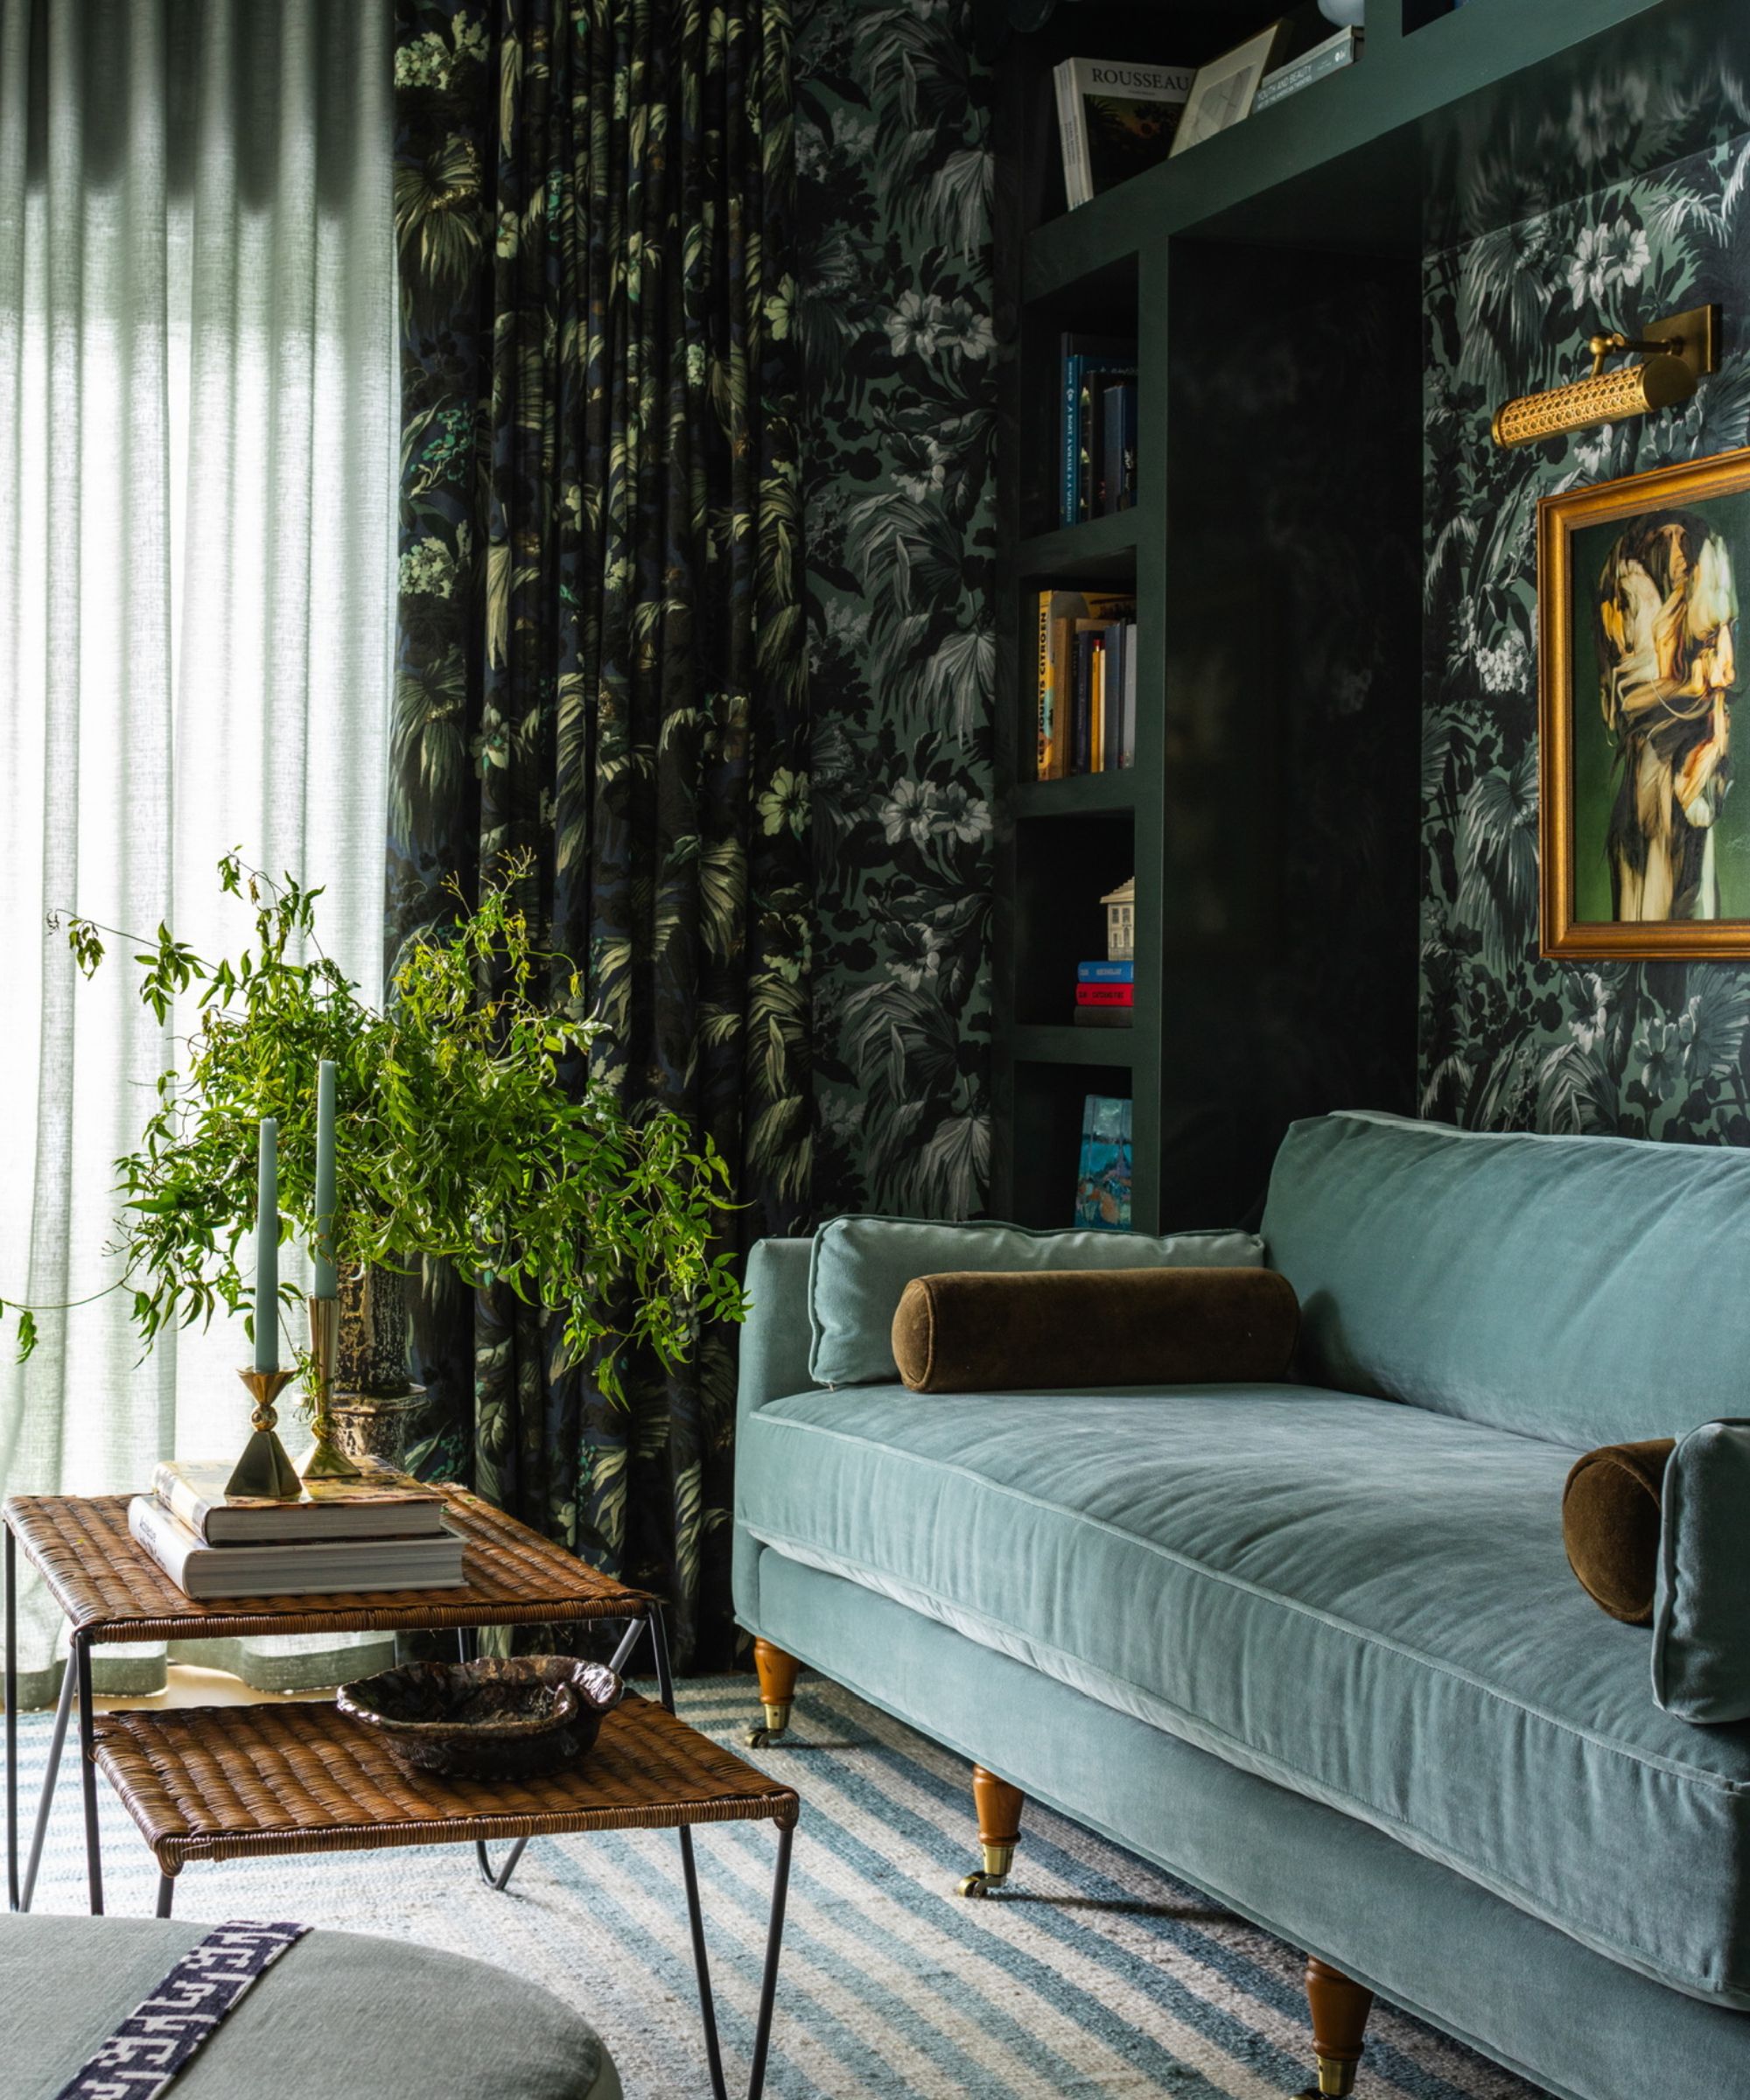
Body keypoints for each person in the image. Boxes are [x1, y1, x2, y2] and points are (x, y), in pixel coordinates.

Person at [1595, 509, 1740, 921]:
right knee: (1648, 920)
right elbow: (1634, 698)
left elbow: (1720, 677)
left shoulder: (1690, 604)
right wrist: (1696, 689)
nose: (1679, 552)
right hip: (1648, 799)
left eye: (1684, 540)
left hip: (1688, 788)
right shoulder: (1634, 593)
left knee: (1697, 919)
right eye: (1666, 540)